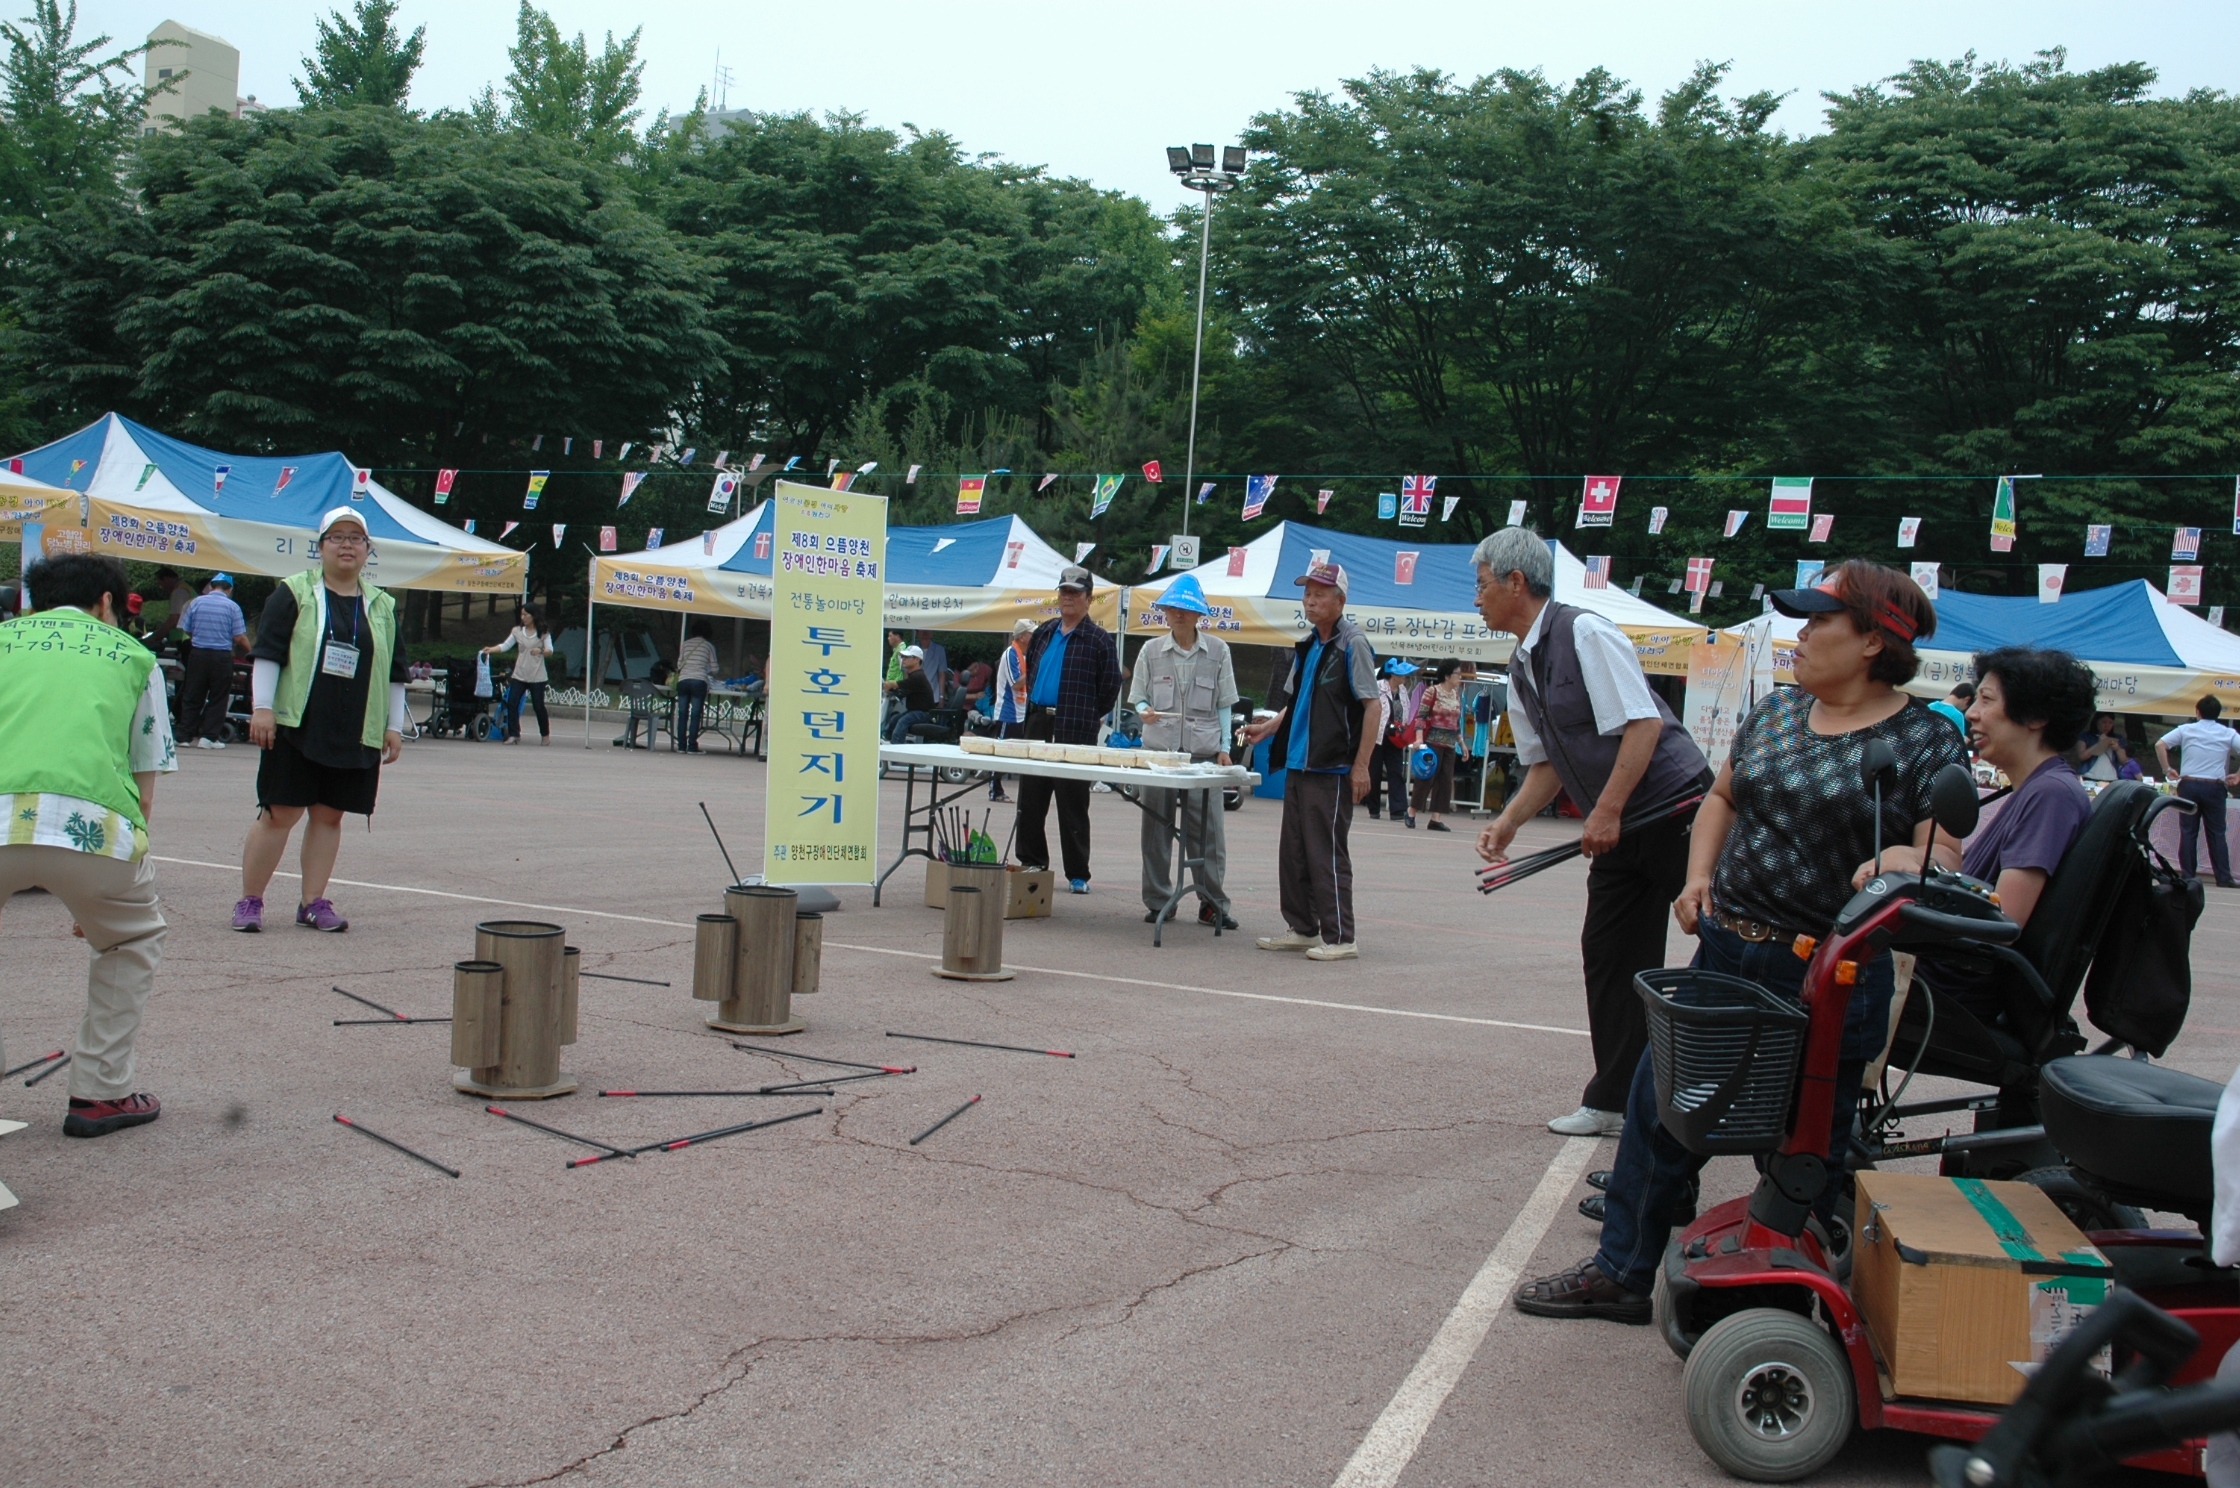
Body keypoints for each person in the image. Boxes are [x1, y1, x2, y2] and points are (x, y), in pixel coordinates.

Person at [1515, 558, 1963, 1322]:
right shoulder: (1779, 712)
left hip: (1829, 969)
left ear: (1870, 644)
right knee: (1661, 1109)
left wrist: (1892, 861)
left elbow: (1940, 855)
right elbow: (1722, 795)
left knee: (1808, 1143)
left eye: (1821, 621)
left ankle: (1790, 1302)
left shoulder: (1923, 740)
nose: (1802, 635)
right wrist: (1697, 877)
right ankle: (1623, 1271)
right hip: (1728, 949)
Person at [1472, 527, 1715, 1137]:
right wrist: (1507, 823)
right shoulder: (1520, 664)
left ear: (1515, 582)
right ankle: (1615, 1101)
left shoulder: (1584, 631)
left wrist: (1605, 811)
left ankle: (1729, 1087)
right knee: (1609, 956)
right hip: (1619, 825)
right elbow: (1547, 764)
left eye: (1480, 584)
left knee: (1722, 944)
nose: (1475, 598)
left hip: (1679, 810)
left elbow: (1642, 726)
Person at [0, 553, 176, 1136]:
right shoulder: (134, 656)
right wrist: (102, 899)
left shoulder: (4, 640)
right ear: (107, 603)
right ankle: (100, 1094)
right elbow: (145, 785)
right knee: (132, 939)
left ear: (34, 602)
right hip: (91, 827)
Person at [1895, 648, 2097, 1024]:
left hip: (1946, 987)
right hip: (1941, 975)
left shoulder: (2050, 795)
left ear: (2036, 716)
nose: (1971, 713)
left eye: (1987, 700)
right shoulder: (2039, 788)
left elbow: (2001, 922)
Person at [232, 508, 406, 934]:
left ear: (368, 550)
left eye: (356, 538)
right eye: (337, 537)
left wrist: (394, 725)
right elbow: (268, 651)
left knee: (330, 815)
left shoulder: (381, 604)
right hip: (298, 723)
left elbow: (395, 670)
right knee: (280, 813)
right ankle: (250, 900)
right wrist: (263, 707)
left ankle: (312, 902)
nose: (347, 545)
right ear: (321, 545)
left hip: (355, 726)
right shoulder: (294, 592)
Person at [1242, 559, 1379, 959]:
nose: (1311, 600)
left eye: (1320, 594)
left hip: (1332, 766)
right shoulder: (1309, 645)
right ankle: (1303, 928)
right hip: (1300, 762)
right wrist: (1267, 727)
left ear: (1340, 600)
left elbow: (1373, 707)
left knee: (1325, 852)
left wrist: (1361, 765)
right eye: (1307, 593)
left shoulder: (1352, 644)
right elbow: (1296, 702)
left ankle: (1341, 938)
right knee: (1294, 851)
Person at [1131, 573, 1242, 929]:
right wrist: (1144, 708)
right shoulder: (1150, 651)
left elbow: (1225, 704)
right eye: (1172, 608)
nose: (1178, 615)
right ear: (1164, 612)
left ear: (1199, 615)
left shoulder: (1218, 651)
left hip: (1203, 754)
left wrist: (1225, 748)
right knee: (1155, 830)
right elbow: (1139, 697)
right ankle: (1159, 899)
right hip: (1160, 753)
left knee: (1208, 833)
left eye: (1186, 610)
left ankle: (1212, 903)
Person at [1017, 566, 1123, 894]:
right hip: (1037, 721)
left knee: (1073, 801)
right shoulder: (1045, 632)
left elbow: (1110, 686)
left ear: (1089, 599)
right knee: (1031, 797)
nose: (1068, 597)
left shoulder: (1099, 640)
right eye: (1064, 591)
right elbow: (1032, 669)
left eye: (1076, 592)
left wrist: (1087, 715)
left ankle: (1078, 873)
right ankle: (1032, 861)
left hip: (1075, 726)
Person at [2157, 697, 2240, 888]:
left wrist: (2167, 769)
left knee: (2188, 831)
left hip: (2189, 784)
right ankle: (2224, 876)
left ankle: (2187, 875)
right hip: (2215, 786)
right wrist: (2237, 775)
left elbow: (2160, 744)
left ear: (2197, 711)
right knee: (2217, 832)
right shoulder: (2227, 732)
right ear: (2219, 713)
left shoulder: (2186, 729)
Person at [176, 572, 248, 750]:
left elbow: (187, 629)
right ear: (229, 589)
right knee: (218, 697)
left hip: (198, 654)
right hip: (221, 657)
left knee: (192, 695)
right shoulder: (233, 607)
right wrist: (252, 651)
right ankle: (208, 738)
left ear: (211, 586)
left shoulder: (196, 603)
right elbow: (238, 637)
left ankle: (184, 736)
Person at [481, 602, 555, 746]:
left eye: (525, 615)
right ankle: (514, 734)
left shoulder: (543, 632)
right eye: (521, 614)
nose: (523, 617)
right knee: (512, 702)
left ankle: (545, 734)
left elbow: (550, 650)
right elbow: (505, 645)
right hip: (520, 674)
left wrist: (540, 651)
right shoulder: (517, 631)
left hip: (537, 676)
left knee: (538, 706)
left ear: (533, 616)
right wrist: (491, 649)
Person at [1410, 662, 1463, 831]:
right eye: (1457, 674)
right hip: (1432, 742)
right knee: (1426, 778)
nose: (1460, 677)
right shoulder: (1432, 691)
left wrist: (1461, 743)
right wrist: (1419, 739)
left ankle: (1436, 818)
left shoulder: (1456, 694)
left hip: (1449, 743)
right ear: (1447, 676)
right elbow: (1421, 717)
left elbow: (1457, 722)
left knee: (1445, 780)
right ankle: (1411, 812)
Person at [988, 617, 1033, 802]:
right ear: (1022, 636)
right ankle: (995, 789)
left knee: (1027, 751)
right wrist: (1034, 670)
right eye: (1032, 633)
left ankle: (1029, 793)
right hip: (1009, 711)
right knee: (1003, 751)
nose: (1034, 636)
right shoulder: (1010, 654)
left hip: (1025, 710)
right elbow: (1015, 683)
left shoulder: (1027, 654)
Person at [1368, 658, 1419, 823]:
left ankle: (1398, 809)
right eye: (1401, 674)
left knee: (1396, 771)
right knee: (1374, 772)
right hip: (1377, 734)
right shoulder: (1378, 687)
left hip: (1395, 736)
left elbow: (1406, 710)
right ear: (1393, 675)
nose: (1405, 677)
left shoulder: (1403, 690)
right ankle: (1373, 807)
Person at [672, 617, 720, 753]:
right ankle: (692, 746)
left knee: (682, 714)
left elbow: (679, 664)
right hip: (699, 681)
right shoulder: (709, 646)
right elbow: (715, 668)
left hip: (683, 680)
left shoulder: (685, 644)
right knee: (695, 714)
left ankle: (681, 746)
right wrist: (705, 669)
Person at [884, 645, 935, 742]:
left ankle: (897, 748)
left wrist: (890, 684)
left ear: (917, 660)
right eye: (903, 657)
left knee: (902, 722)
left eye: (907, 657)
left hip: (923, 713)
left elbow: (901, 684)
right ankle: (886, 739)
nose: (904, 659)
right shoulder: (914, 676)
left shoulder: (918, 676)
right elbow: (904, 690)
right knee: (894, 719)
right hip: (914, 711)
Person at [2076, 711, 2129, 784]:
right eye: (2104, 722)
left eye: (2110, 723)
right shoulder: (2086, 736)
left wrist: (2117, 748)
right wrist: (2099, 744)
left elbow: (2123, 761)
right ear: (2096, 722)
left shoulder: (2118, 738)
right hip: (2089, 777)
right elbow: (2082, 756)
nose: (2107, 726)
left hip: (2111, 778)